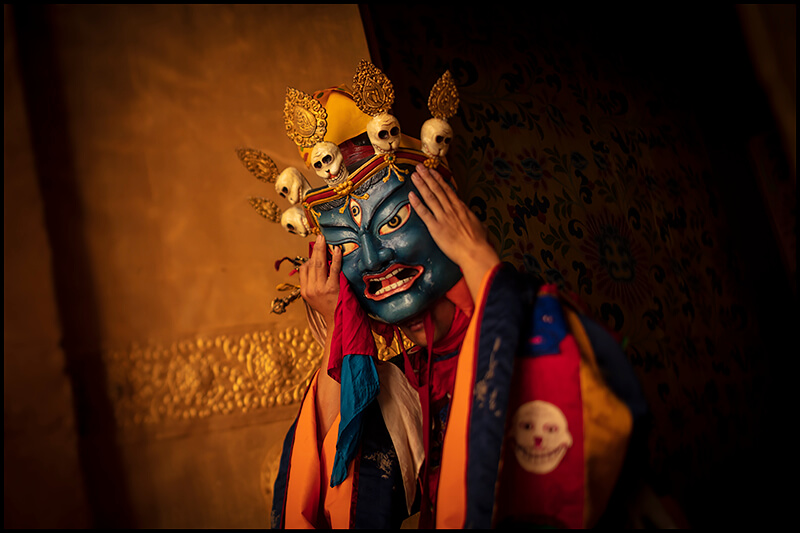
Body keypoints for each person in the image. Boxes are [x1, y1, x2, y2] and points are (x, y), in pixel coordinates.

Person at [266, 62, 647, 529]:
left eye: (392, 222)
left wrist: (477, 258)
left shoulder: (530, 324)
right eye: (345, 246)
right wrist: (339, 337)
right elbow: (328, 505)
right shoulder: (399, 386)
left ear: (448, 214)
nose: (372, 257)